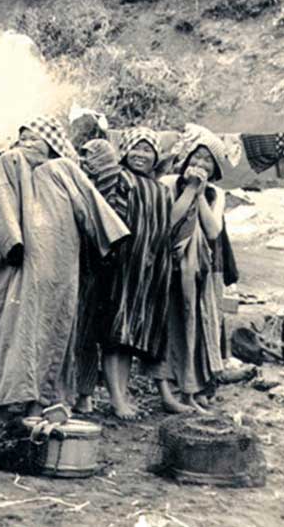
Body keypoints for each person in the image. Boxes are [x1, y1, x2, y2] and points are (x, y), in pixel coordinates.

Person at [0, 116, 129, 422]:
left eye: (34, 139)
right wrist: (12, 243)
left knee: (50, 333)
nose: (26, 144)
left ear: (52, 144)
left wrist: (107, 239)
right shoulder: (9, 165)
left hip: (57, 269)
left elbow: (92, 209)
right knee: (12, 333)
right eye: (23, 138)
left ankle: (39, 402)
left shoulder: (62, 169)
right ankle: (4, 404)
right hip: (17, 269)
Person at [75, 130, 174, 420]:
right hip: (119, 267)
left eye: (147, 150)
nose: (141, 154)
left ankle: (122, 395)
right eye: (135, 148)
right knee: (114, 335)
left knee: (130, 338)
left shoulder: (161, 190)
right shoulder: (119, 179)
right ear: (125, 151)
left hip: (148, 272)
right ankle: (116, 400)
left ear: (156, 156)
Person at [153, 129, 229, 414]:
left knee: (193, 327)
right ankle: (165, 393)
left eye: (208, 160)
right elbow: (169, 221)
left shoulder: (216, 193)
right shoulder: (168, 183)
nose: (201, 163)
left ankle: (189, 392)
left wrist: (200, 193)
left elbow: (213, 230)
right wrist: (188, 190)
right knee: (164, 328)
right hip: (167, 266)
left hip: (197, 272)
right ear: (186, 159)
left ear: (215, 168)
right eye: (197, 157)